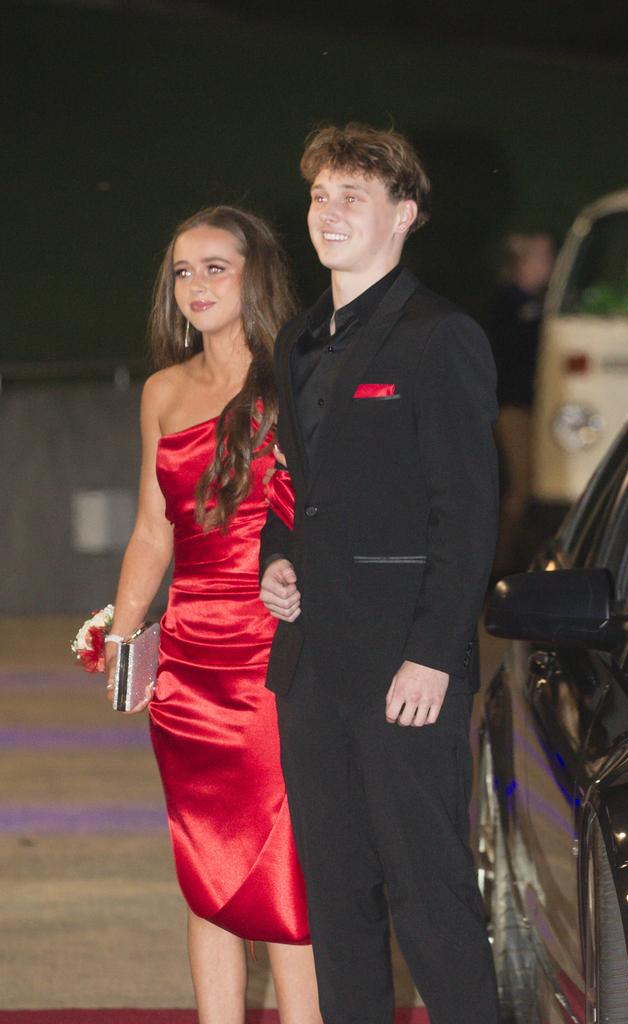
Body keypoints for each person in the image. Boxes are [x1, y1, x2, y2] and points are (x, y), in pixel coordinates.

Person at [259, 123, 501, 1024]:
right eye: (321, 195)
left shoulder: (442, 337)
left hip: (407, 668)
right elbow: (296, 489)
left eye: (351, 197)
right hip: (313, 662)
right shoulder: (296, 341)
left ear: (405, 216)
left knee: (430, 897)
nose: (329, 212)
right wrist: (276, 561)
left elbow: (469, 513)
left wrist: (435, 655)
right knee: (338, 901)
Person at [104, 206, 321, 1024]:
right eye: (183, 271)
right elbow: (151, 531)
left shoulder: (297, 374)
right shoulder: (162, 390)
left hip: (274, 654)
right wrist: (124, 636)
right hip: (189, 666)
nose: (195, 285)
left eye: (214, 267)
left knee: (282, 875)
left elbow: (329, 513)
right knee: (204, 872)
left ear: (254, 273)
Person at [485, 231, 555, 576]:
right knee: (521, 488)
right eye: (542, 257)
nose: (550, 265)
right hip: (513, 407)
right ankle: (498, 566)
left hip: (539, 408)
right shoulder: (507, 306)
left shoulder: (545, 305)